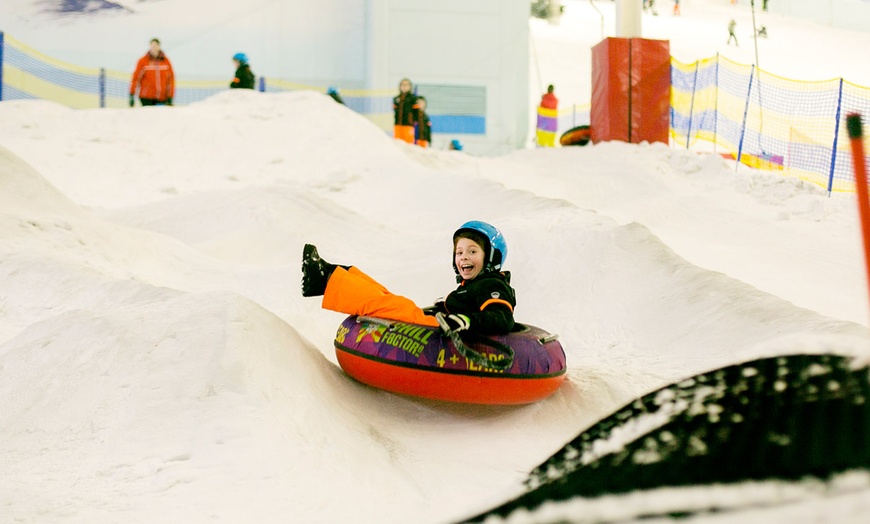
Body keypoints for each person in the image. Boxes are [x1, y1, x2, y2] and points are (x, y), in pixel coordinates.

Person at [301, 221, 516, 336]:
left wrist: (466, 321)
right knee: (387, 298)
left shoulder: (492, 285)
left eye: (472, 251)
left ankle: (326, 280)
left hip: (439, 331)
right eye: (459, 253)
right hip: (436, 324)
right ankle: (331, 273)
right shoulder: (470, 286)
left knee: (393, 306)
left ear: (491, 258)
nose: (464, 258)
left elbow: (502, 318)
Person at [129, 38, 175, 107]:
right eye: (152, 45)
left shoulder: (166, 61)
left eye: (156, 45)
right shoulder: (143, 61)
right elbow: (136, 78)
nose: (154, 47)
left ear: (159, 46)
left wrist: (170, 96)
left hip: (162, 97)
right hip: (146, 97)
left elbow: (170, 80)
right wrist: (132, 94)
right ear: (150, 46)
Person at [393, 78, 420, 144]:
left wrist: (414, 122)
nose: (404, 86)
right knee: (397, 144)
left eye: (406, 85)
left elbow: (416, 112)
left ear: (410, 86)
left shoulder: (413, 99)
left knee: (408, 145)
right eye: (402, 85)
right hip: (397, 125)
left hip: (408, 125)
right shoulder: (396, 98)